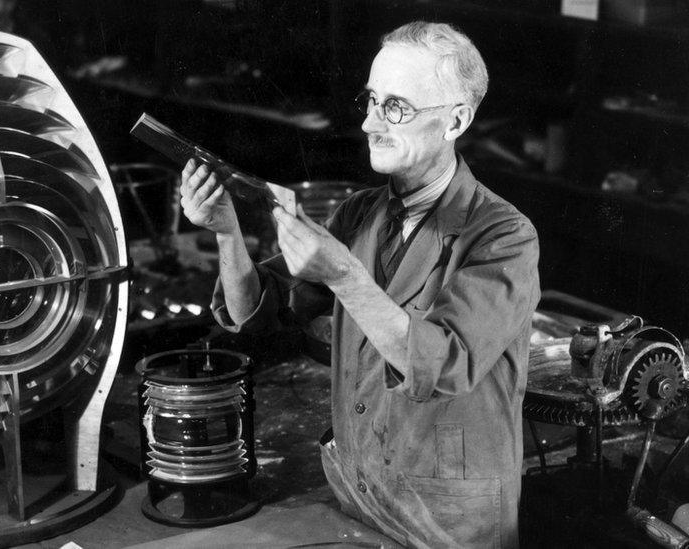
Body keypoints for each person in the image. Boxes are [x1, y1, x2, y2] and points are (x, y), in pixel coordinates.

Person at [179, 21, 540, 548]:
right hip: (361, 491)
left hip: (450, 520)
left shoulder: (504, 236)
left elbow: (443, 364)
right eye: (371, 100)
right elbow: (259, 316)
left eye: (396, 107)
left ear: (456, 120)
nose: (371, 122)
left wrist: (344, 274)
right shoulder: (358, 215)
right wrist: (229, 233)